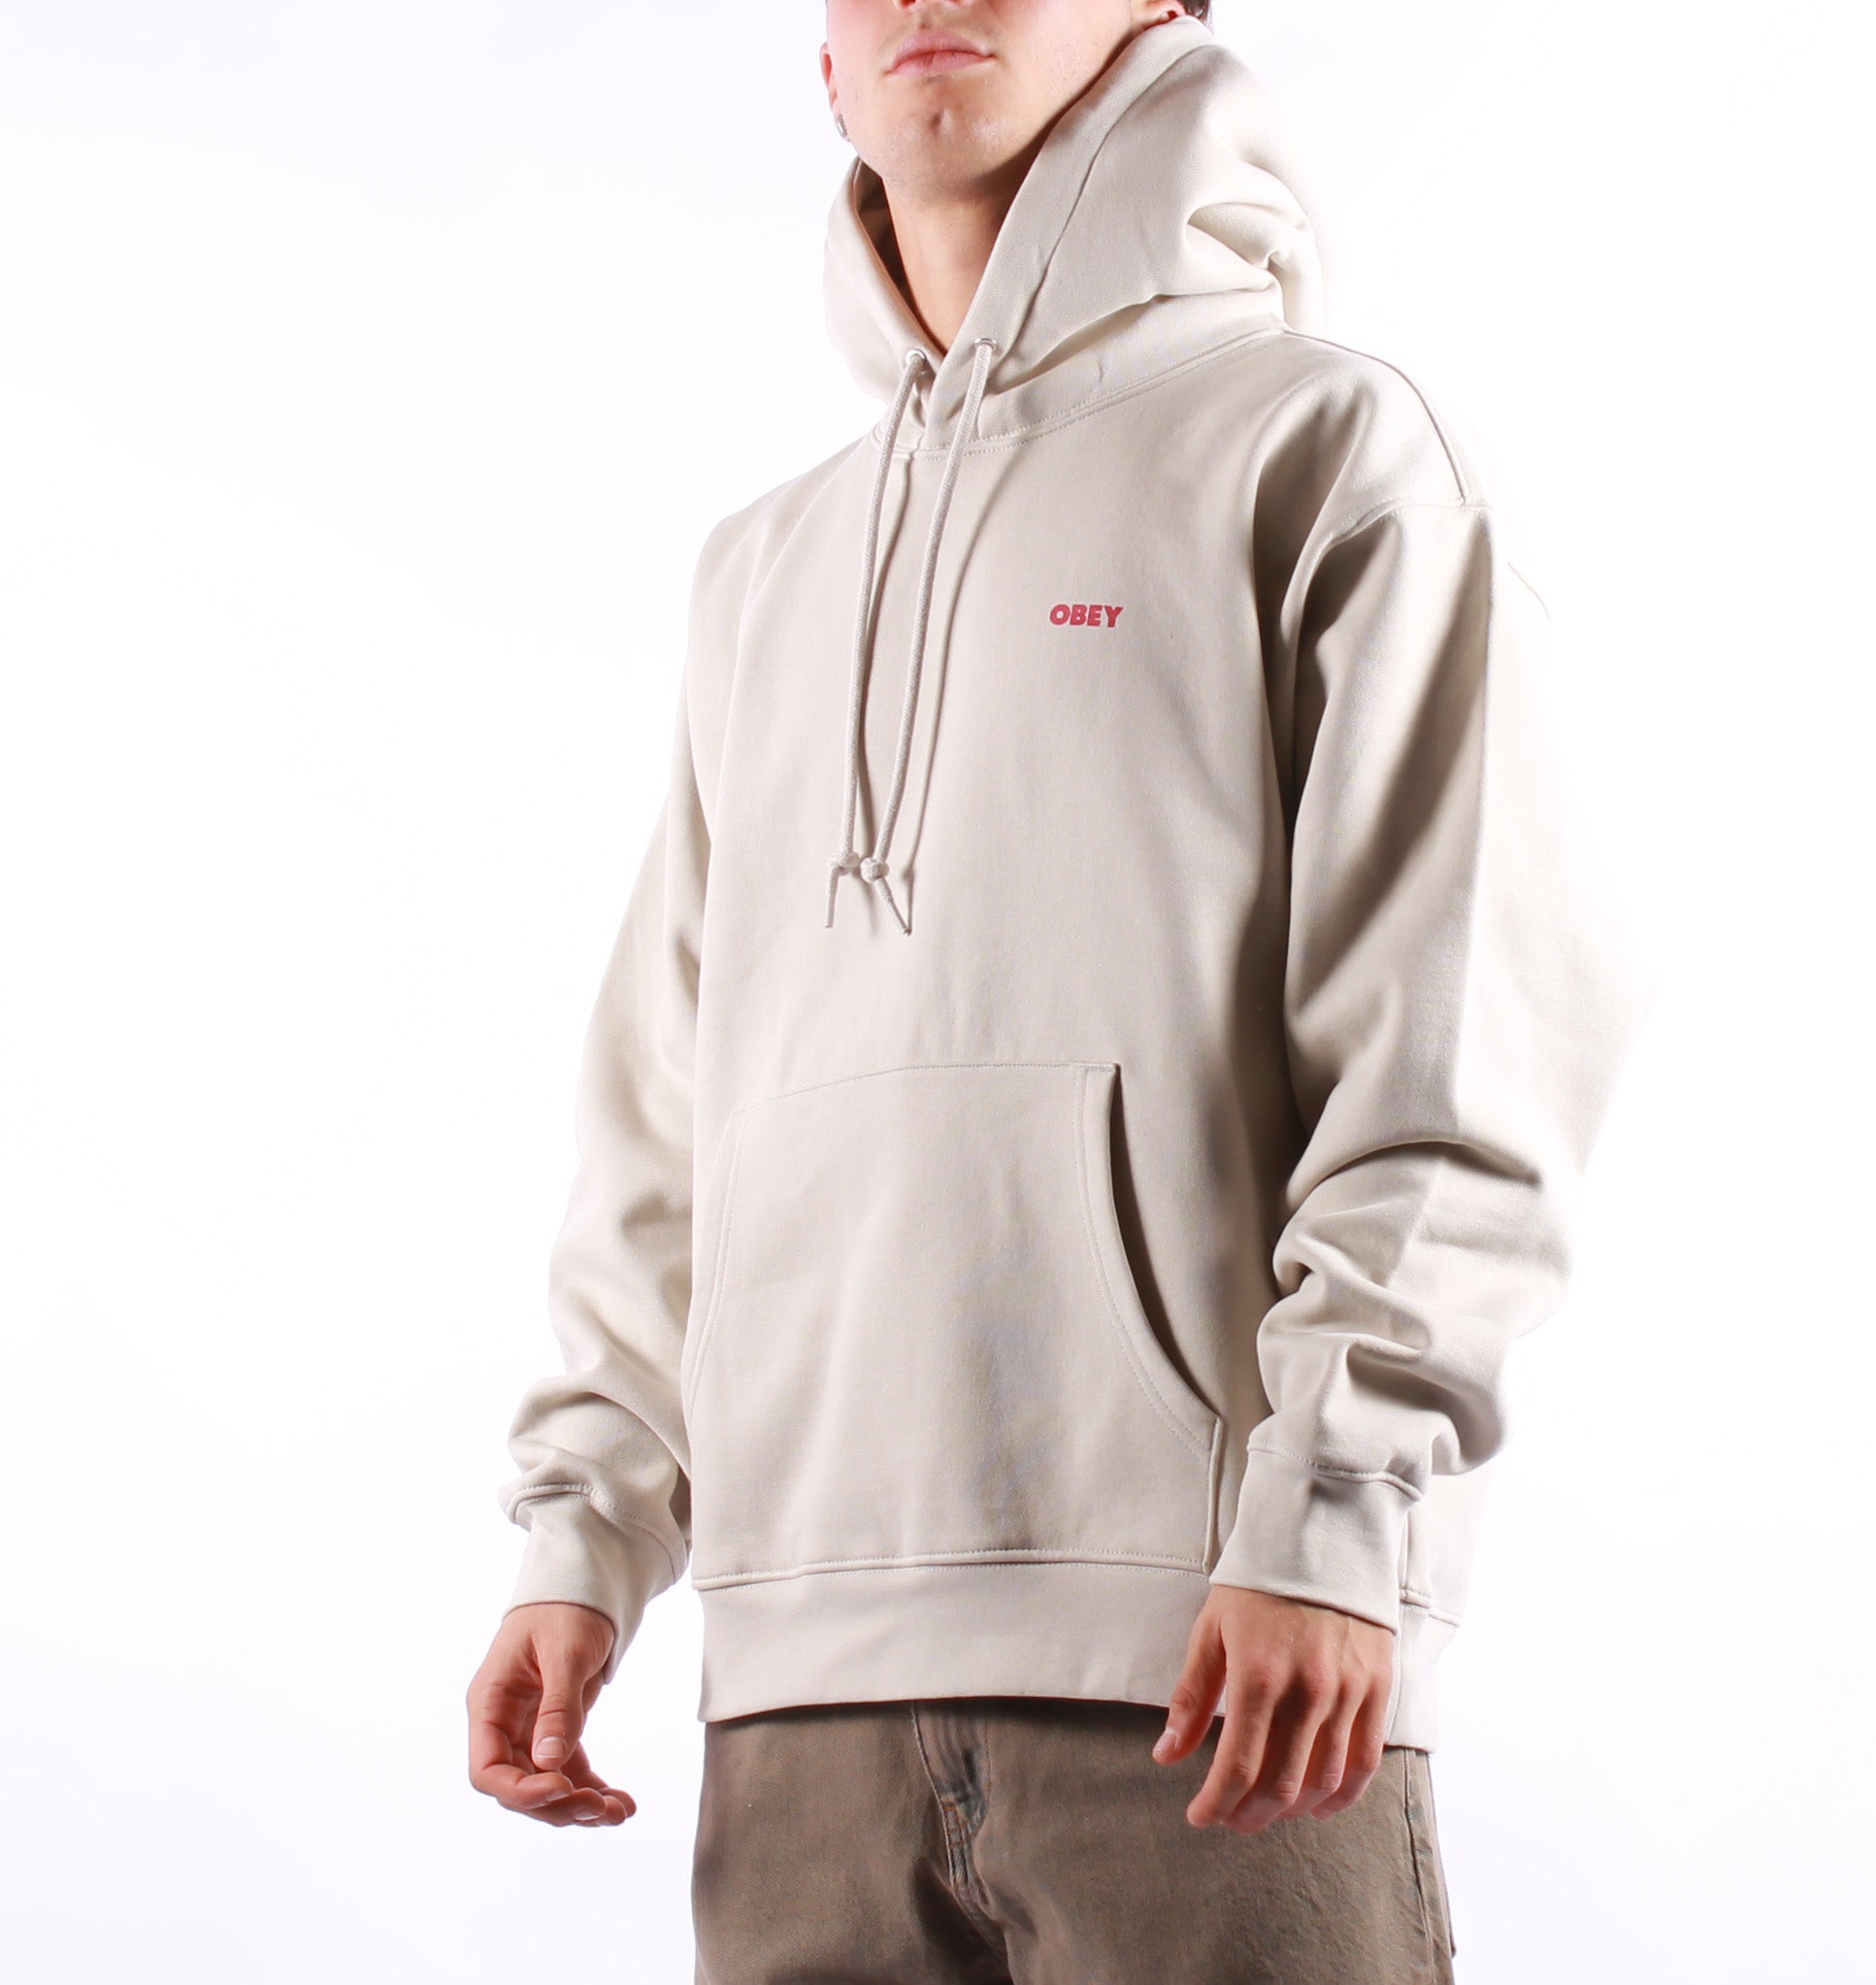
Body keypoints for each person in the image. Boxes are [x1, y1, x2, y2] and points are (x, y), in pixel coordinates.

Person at [467, 3, 1651, 1976]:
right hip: (796, 1693)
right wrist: (583, 1528)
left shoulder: (1330, 453)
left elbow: (1464, 1038)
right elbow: (669, 1109)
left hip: (1213, 1666)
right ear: (820, 65)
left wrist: (1336, 1508)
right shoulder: (761, 568)